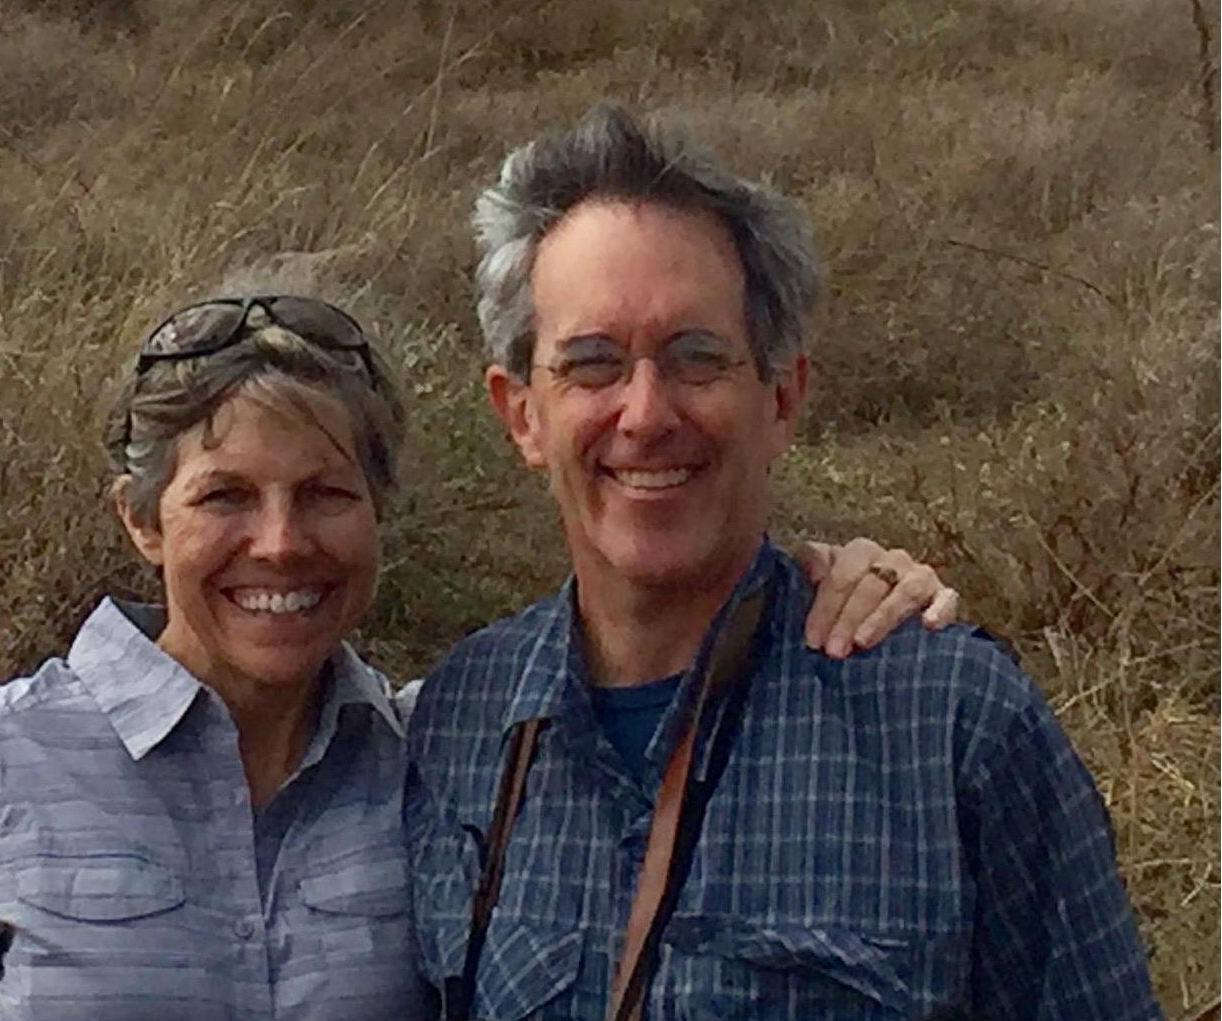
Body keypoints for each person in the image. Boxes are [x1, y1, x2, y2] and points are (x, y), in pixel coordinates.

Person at [0, 294, 957, 1020]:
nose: (280, 542)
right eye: (225, 497)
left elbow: (657, 659)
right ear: (143, 522)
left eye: (327, 495)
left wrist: (827, 576)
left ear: (379, 515)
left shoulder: (444, 754)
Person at [404, 103, 1161, 1020]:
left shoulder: (950, 725)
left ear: (784, 397)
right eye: (593, 364)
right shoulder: (456, 723)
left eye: (697, 358)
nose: (645, 415)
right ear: (521, 412)